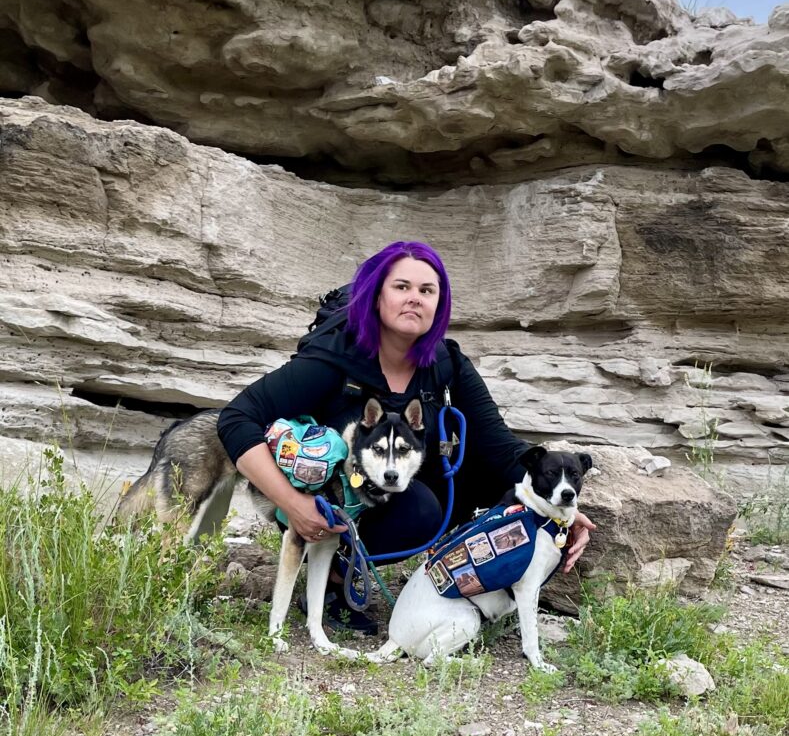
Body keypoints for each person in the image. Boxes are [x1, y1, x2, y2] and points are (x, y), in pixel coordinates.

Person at [217, 241, 595, 631]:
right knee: (420, 509)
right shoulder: (332, 359)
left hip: (399, 478)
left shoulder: (446, 364)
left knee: (491, 480)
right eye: (402, 287)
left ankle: (479, 588)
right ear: (376, 295)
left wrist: (560, 504)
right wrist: (293, 502)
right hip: (327, 495)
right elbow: (236, 419)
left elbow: (501, 449)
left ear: (439, 304)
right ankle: (332, 576)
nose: (414, 298)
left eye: (427, 291)